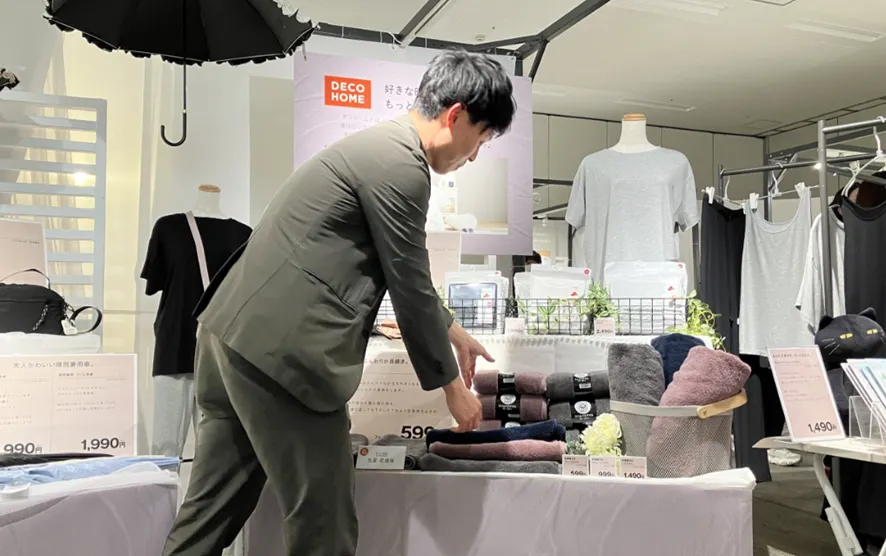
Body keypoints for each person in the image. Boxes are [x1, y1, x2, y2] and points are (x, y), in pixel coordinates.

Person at [161, 50, 517, 556]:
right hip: (283, 356)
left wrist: (453, 330)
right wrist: (452, 387)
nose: (475, 156)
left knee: (208, 513)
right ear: (455, 115)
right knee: (323, 525)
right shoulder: (402, 164)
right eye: (480, 139)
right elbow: (409, 280)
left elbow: (400, 273)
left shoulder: (376, 147)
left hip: (230, 338)